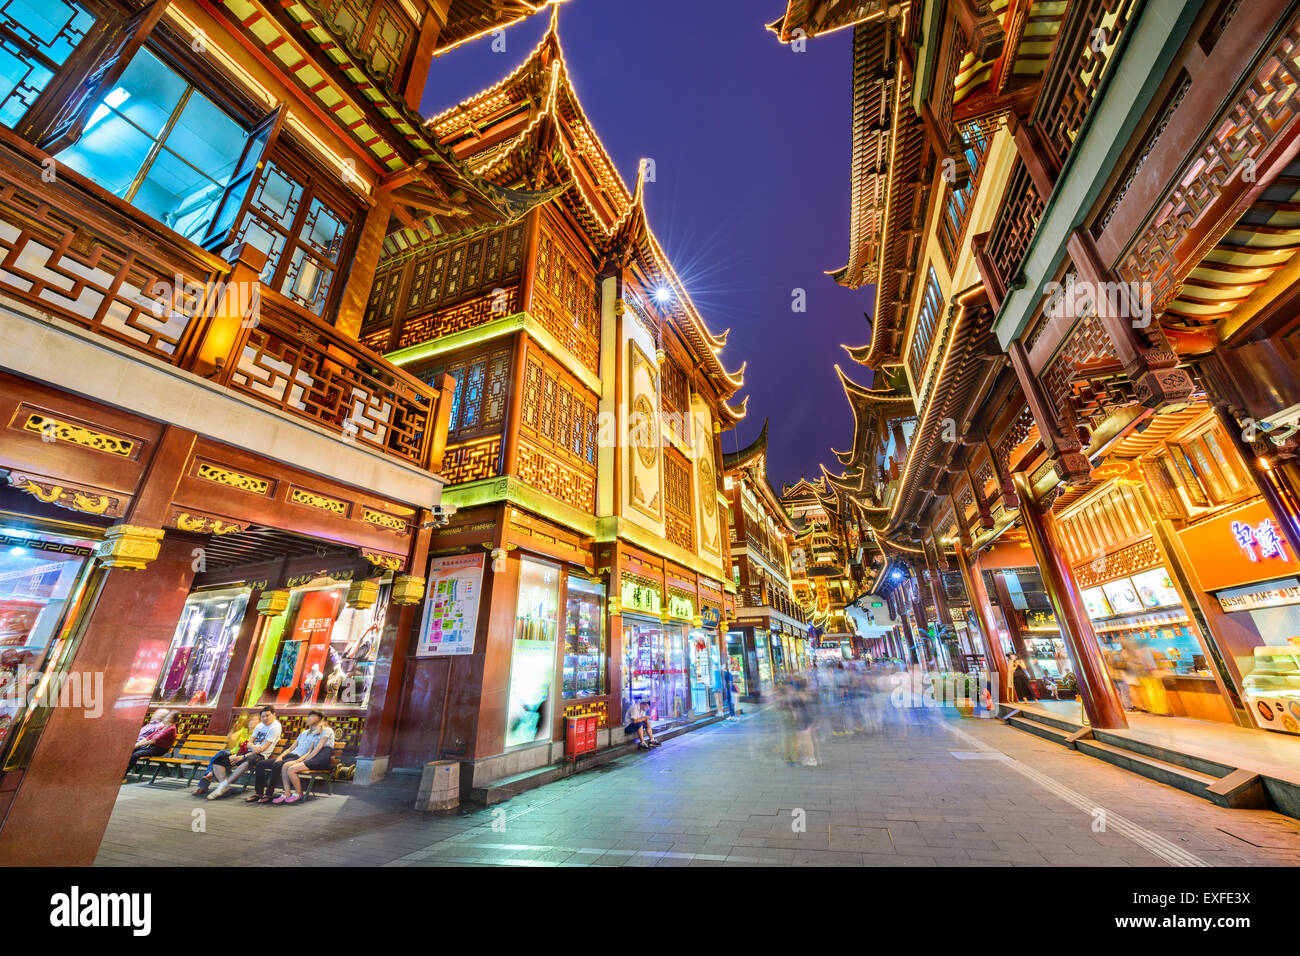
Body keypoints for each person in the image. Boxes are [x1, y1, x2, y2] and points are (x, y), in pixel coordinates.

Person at [249, 710, 335, 804]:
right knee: (261, 764)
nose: (308, 718)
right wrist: (280, 757)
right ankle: (259, 793)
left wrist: (301, 760)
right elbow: (291, 748)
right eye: (309, 716)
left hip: (298, 757)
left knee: (277, 766)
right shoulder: (304, 733)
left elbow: (313, 750)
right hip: (290, 755)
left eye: (312, 716)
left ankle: (269, 794)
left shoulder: (319, 734)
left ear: (319, 718)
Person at [207, 706, 280, 800]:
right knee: (218, 761)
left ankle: (223, 786)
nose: (265, 718)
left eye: (267, 716)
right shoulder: (260, 726)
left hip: (260, 756)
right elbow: (248, 744)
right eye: (263, 716)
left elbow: (262, 749)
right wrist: (250, 748)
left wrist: (243, 756)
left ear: (273, 715)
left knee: (246, 762)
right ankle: (224, 786)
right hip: (247, 753)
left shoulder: (275, 727)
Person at [192, 714, 256, 796]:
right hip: (232, 753)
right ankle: (211, 777)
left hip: (242, 756)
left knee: (220, 755)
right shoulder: (244, 731)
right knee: (221, 753)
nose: (253, 722)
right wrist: (234, 728)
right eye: (252, 720)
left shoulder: (256, 734)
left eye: (255, 720)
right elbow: (231, 739)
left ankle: (205, 783)